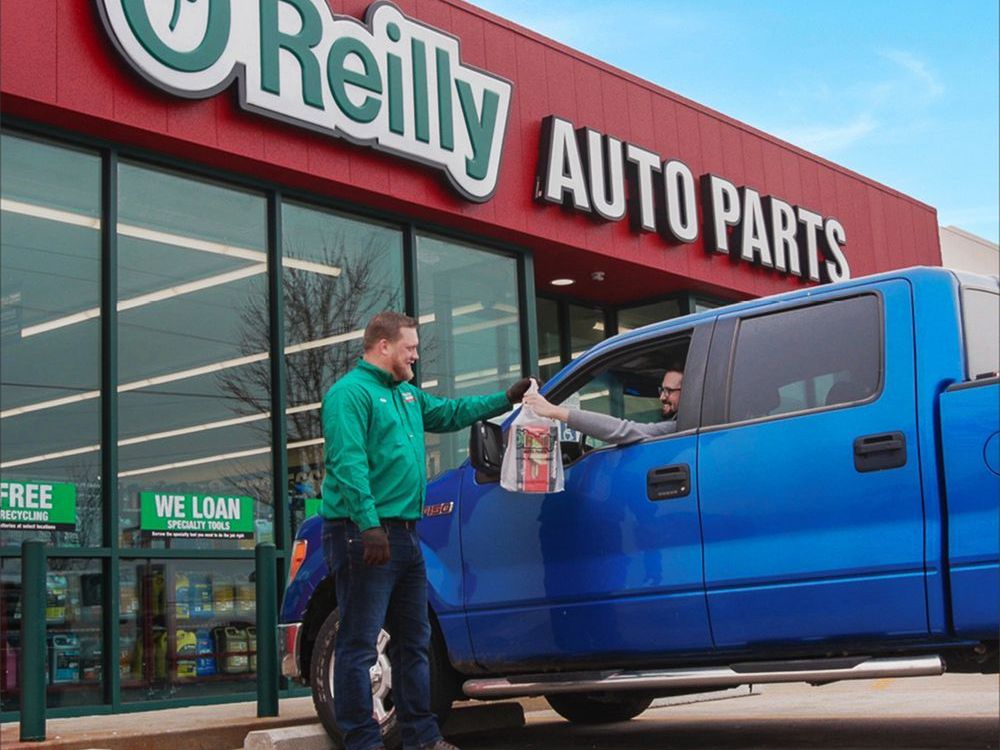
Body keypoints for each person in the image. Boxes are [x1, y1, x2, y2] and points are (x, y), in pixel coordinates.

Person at [320, 311, 532, 750]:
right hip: (365, 536)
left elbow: (453, 412)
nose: (416, 354)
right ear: (383, 346)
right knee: (359, 646)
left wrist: (506, 398)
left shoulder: (408, 397)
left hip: (407, 537)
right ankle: (362, 742)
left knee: (414, 642)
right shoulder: (349, 395)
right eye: (410, 347)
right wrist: (369, 523)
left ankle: (422, 738)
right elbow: (348, 463)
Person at [522, 369, 683, 445]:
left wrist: (554, 411)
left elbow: (624, 430)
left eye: (668, 391)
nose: (662, 397)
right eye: (662, 390)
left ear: (688, 390)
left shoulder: (679, 427)